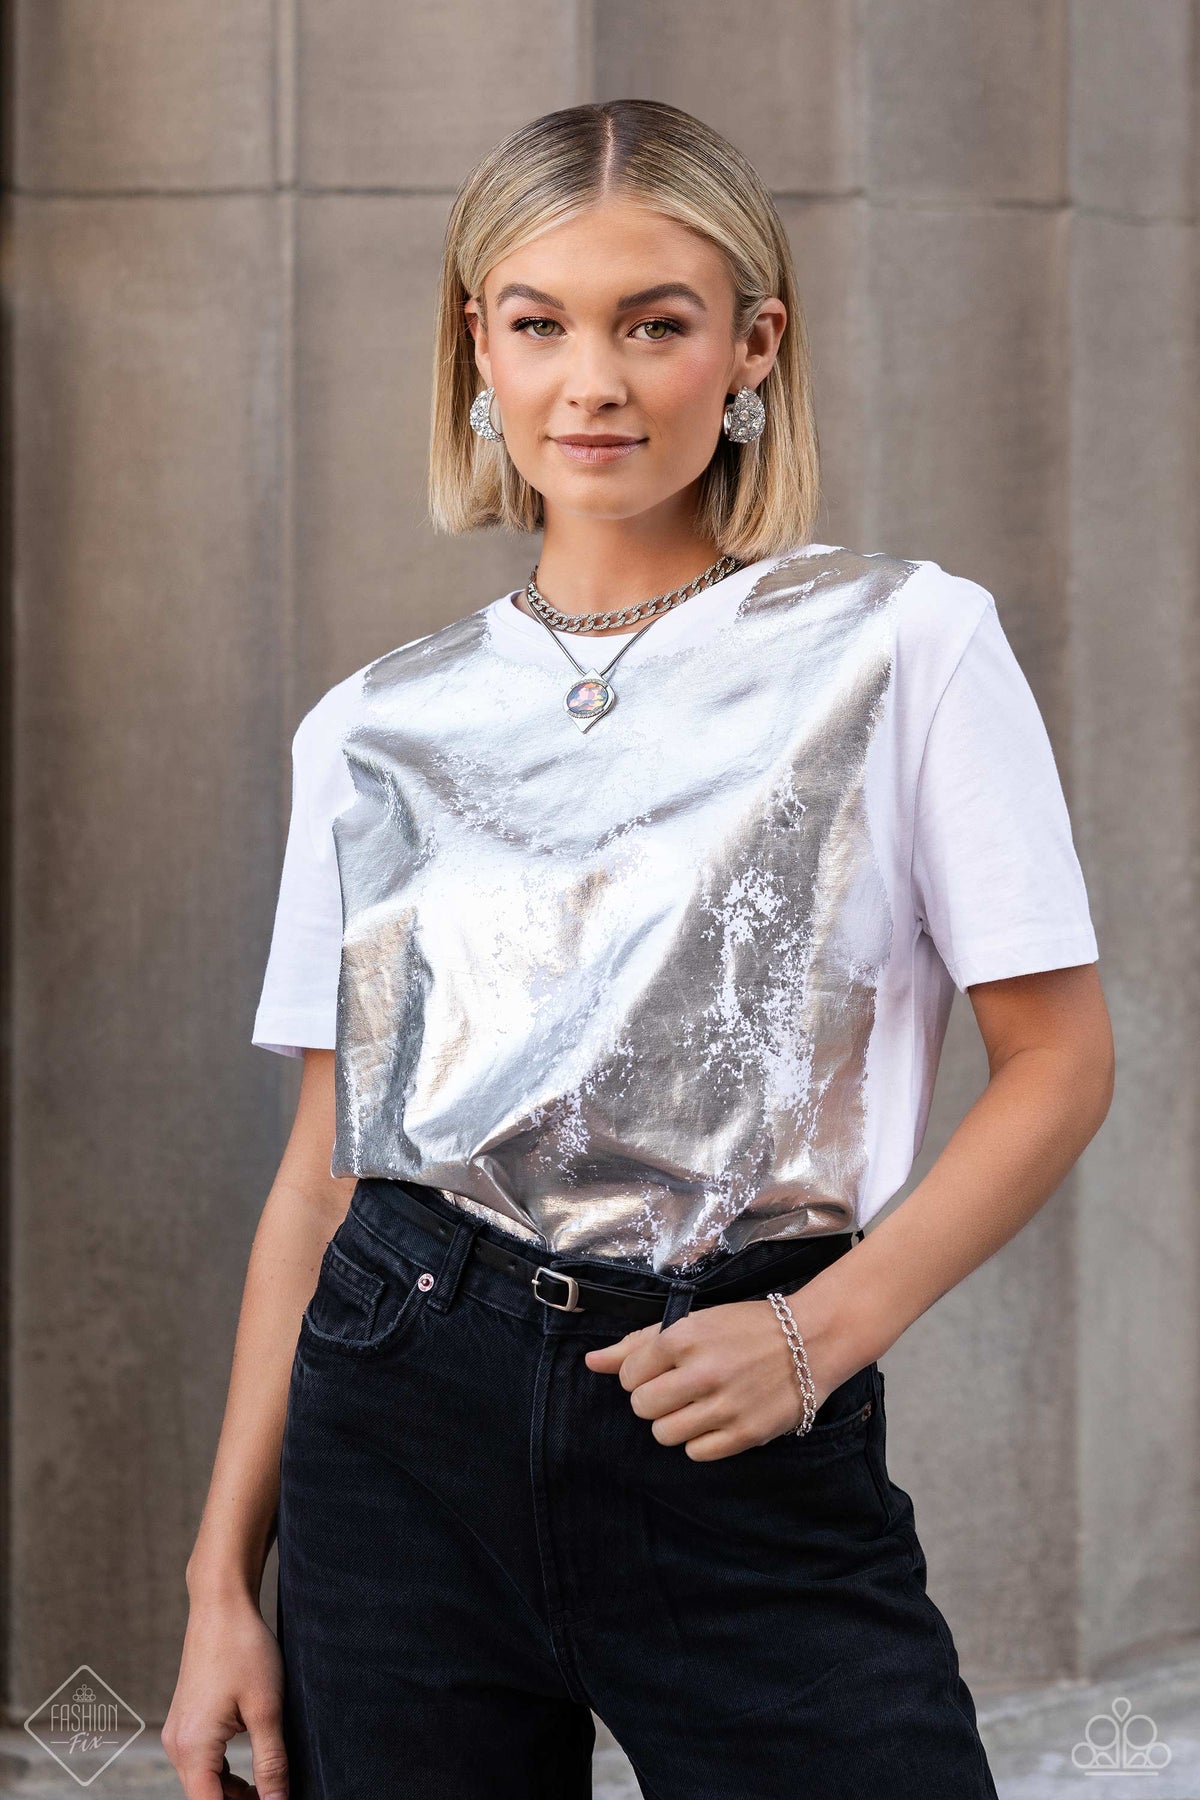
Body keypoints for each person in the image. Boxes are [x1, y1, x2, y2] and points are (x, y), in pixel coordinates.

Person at [163, 98, 1114, 1800]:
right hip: (399, 1418)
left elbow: (1060, 1061)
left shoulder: (906, 643)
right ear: (479, 344)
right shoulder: (371, 728)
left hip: (734, 1397)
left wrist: (819, 1335)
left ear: (754, 345)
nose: (591, 382)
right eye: (540, 324)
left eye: (654, 325)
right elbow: (322, 1174)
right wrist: (219, 1581)